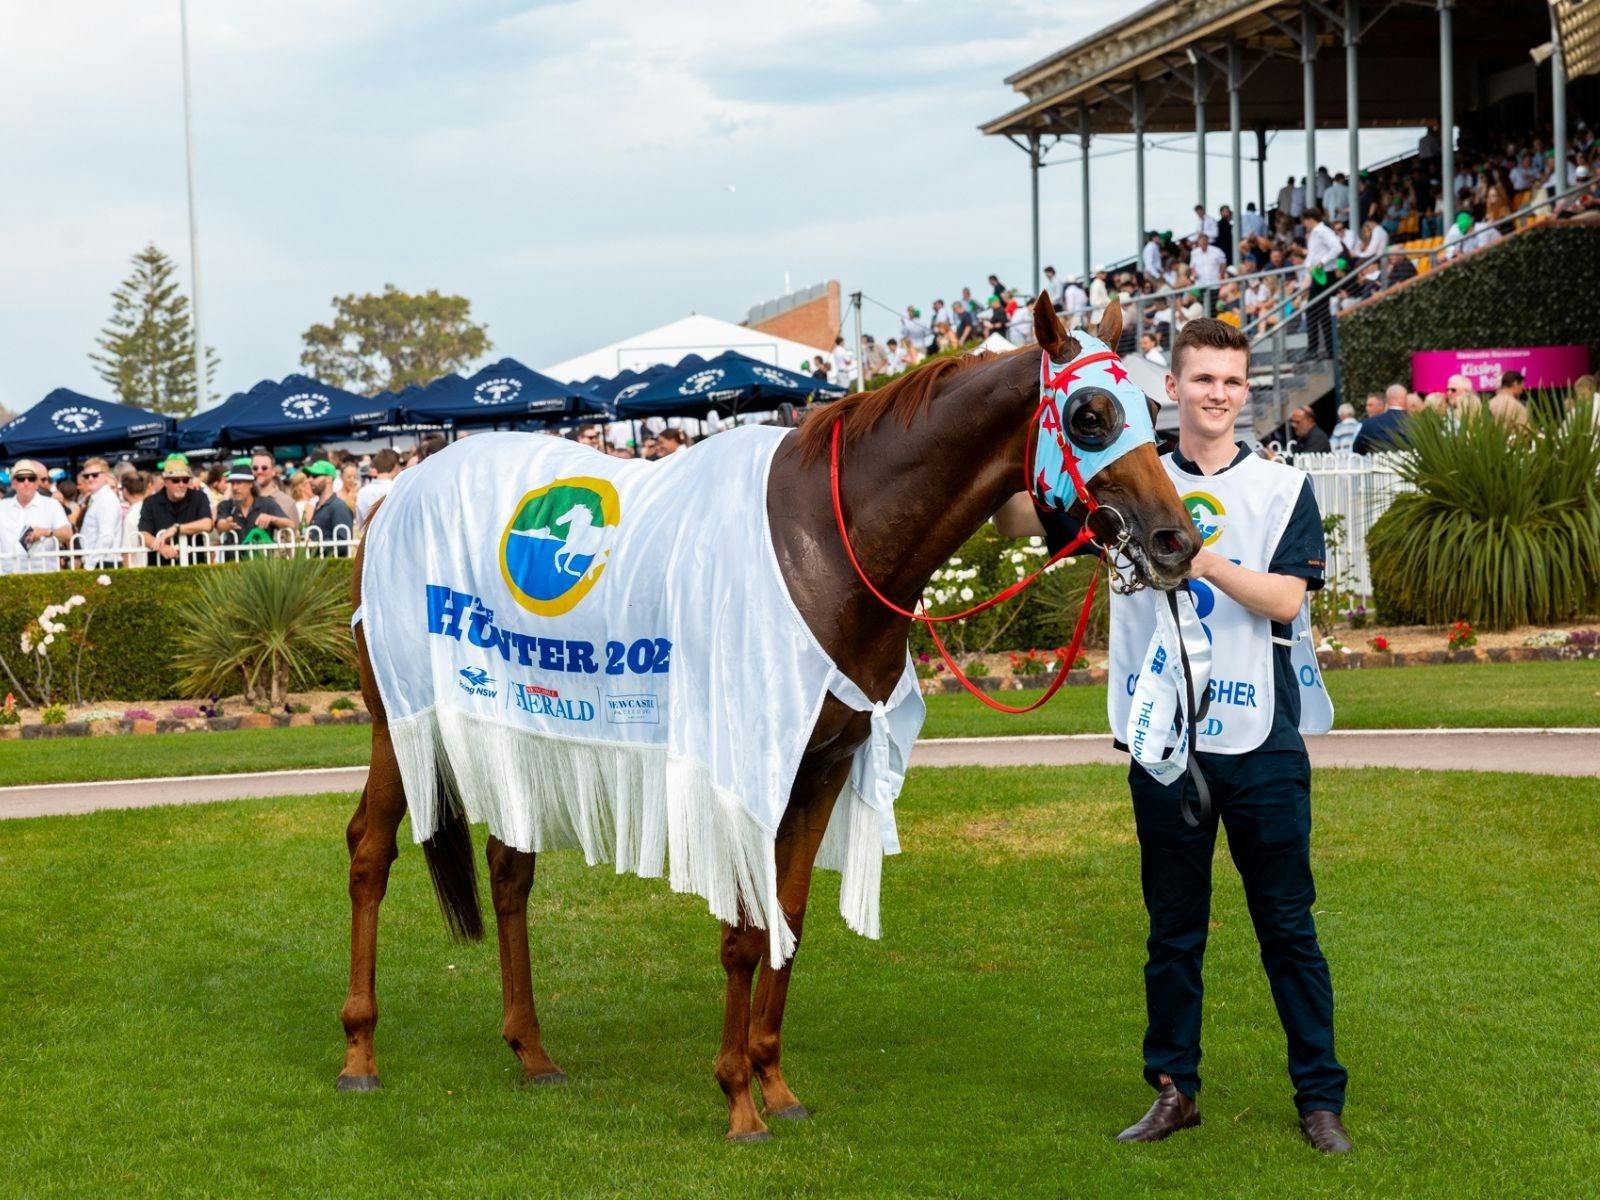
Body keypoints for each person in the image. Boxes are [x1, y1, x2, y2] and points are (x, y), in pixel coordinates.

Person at [993, 318, 1350, 1154]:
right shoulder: (1123, 482)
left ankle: (1320, 1099)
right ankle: (1174, 1091)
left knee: (1288, 928)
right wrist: (1023, 428)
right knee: (1173, 931)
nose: (1218, 394)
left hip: (1261, 741)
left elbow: (1287, 600)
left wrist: (1200, 557)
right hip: (1163, 743)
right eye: (1202, 379)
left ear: (1245, 391)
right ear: (1172, 388)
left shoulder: (1280, 489)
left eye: (1231, 381)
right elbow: (1015, 519)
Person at [138, 454, 214, 566]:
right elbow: (143, 534)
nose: (181, 484)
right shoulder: (151, 502)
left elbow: (207, 524)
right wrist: (161, 547)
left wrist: (176, 529)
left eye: (185, 480)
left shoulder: (199, 497)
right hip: (161, 567)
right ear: (165, 482)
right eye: (175, 480)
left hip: (194, 565)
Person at [0, 458, 73, 575]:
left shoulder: (52, 504)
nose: (26, 482)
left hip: (43, 575)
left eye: (31, 478)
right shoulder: (2, 506)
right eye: (21, 478)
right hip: (8, 576)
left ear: (37, 483)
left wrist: (46, 532)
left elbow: (67, 533)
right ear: (13, 483)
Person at [213, 460, 292, 559]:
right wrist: (226, 525)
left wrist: (272, 519)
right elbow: (219, 524)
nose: (235, 487)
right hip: (233, 564)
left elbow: (290, 524)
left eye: (239, 483)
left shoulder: (267, 503)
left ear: (250, 484)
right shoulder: (225, 505)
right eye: (232, 483)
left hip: (262, 564)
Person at [1300, 207, 1343, 358]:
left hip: (1325, 275)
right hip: (1318, 275)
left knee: (1314, 310)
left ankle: (1315, 349)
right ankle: (1326, 349)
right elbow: (1312, 255)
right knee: (1319, 311)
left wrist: (1321, 262)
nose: (1304, 224)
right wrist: (1309, 265)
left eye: (1304, 221)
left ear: (1310, 219)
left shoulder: (1322, 231)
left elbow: (1337, 248)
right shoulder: (1315, 232)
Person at [71, 456, 123, 570]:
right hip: (98, 561)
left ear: (106, 476)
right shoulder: (98, 498)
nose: (90, 478)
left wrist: (89, 565)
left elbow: (106, 537)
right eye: (86, 476)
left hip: (103, 563)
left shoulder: (106, 500)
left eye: (95, 475)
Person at [305, 460, 355, 555]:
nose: (309, 480)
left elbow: (344, 545)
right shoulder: (319, 505)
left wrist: (314, 544)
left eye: (315, 476)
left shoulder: (339, 507)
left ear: (329, 479)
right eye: (309, 476)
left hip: (332, 564)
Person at [1352, 383, 1410, 453]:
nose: (1367, 408)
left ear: (1387, 400)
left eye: (1370, 405)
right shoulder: (1415, 424)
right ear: (1405, 399)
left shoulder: (1369, 424)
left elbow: (1357, 450)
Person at [355, 448, 401, 527]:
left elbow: (360, 523)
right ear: (395, 466)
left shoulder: (362, 491)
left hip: (368, 533)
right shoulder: (396, 489)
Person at [119, 471, 150, 569]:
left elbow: (127, 552)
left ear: (125, 490)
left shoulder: (132, 515)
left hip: (137, 568)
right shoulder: (150, 508)